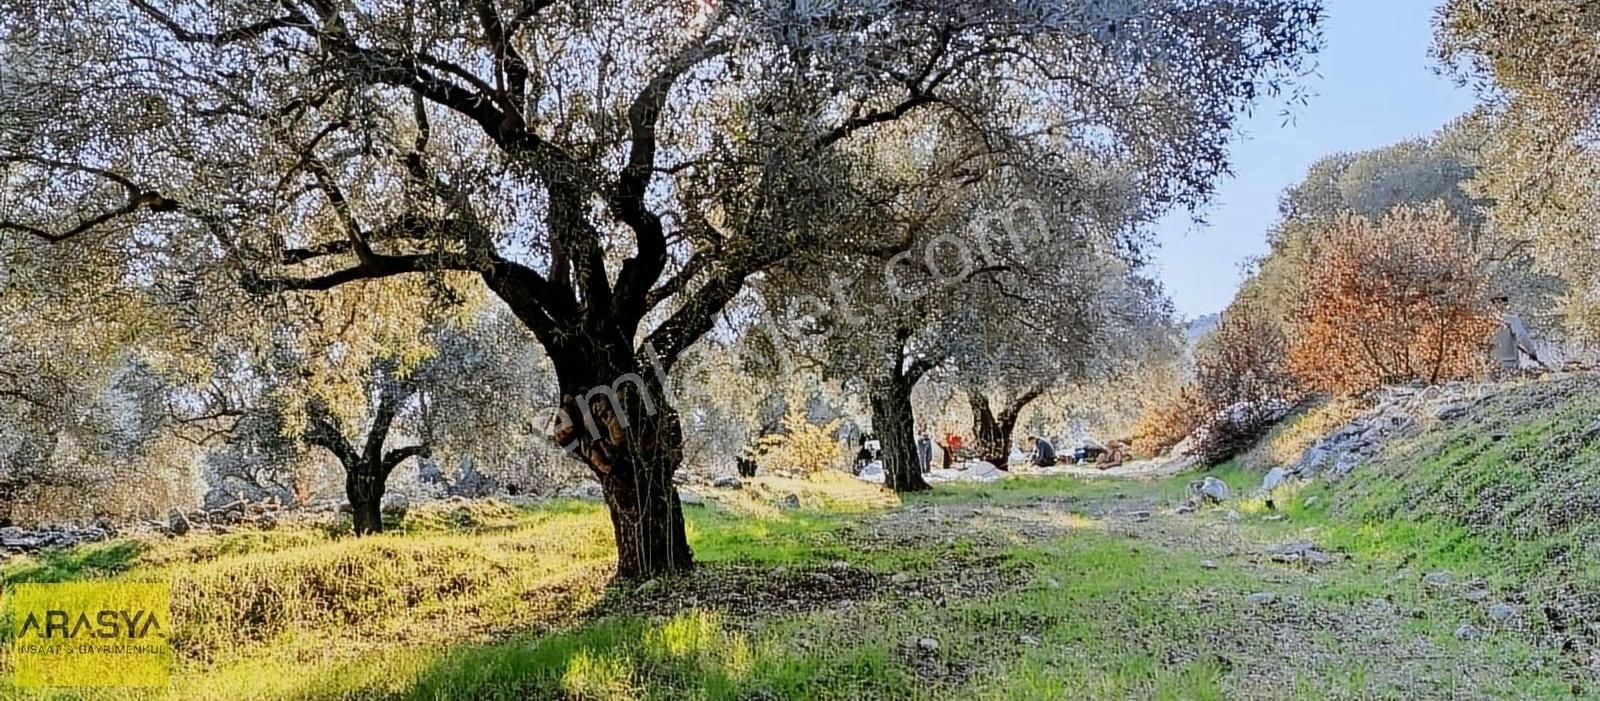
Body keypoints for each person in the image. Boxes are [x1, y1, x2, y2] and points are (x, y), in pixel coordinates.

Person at [1489, 295, 1546, 379]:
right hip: (1510, 365)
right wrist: (1532, 353)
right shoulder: (1512, 319)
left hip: (1491, 366)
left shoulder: (1484, 321)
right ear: (1504, 304)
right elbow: (1523, 337)